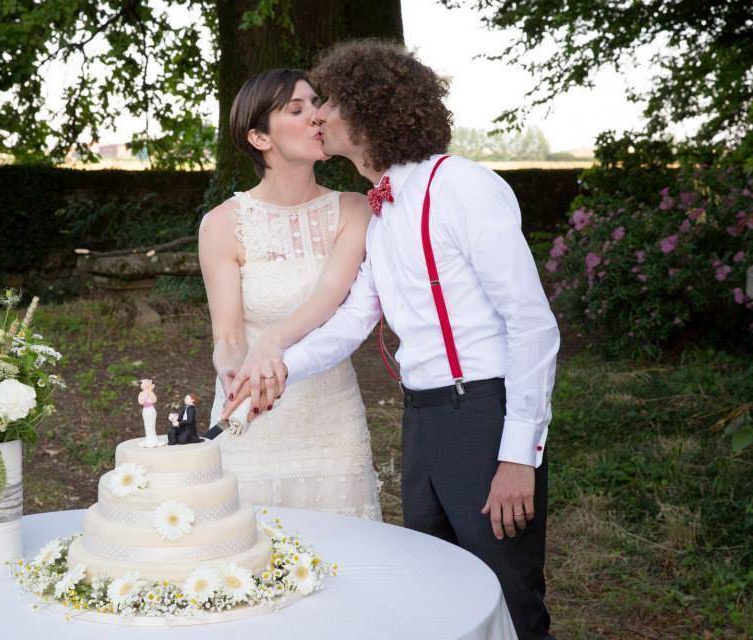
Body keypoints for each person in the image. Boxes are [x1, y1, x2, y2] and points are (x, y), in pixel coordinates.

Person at [222, 41, 560, 640]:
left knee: (511, 597)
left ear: (370, 111)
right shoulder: (382, 210)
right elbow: (352, 321)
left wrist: (517, 455)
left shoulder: (465, 187)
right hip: (423, 419)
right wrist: (277, 370)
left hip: (484, 413)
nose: (318, 114)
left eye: (327, 102)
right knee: (442, 591)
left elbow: (532, 325)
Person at [198, 68, 381, 520]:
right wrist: (230, 374)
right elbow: (227, 334)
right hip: (253, 419)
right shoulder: (222, 222)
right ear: (259, 137)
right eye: (296, 110)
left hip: (331, 420)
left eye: (316, 105)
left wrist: (271, 342)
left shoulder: (355, 208)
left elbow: (329, 298)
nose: (317, 117)